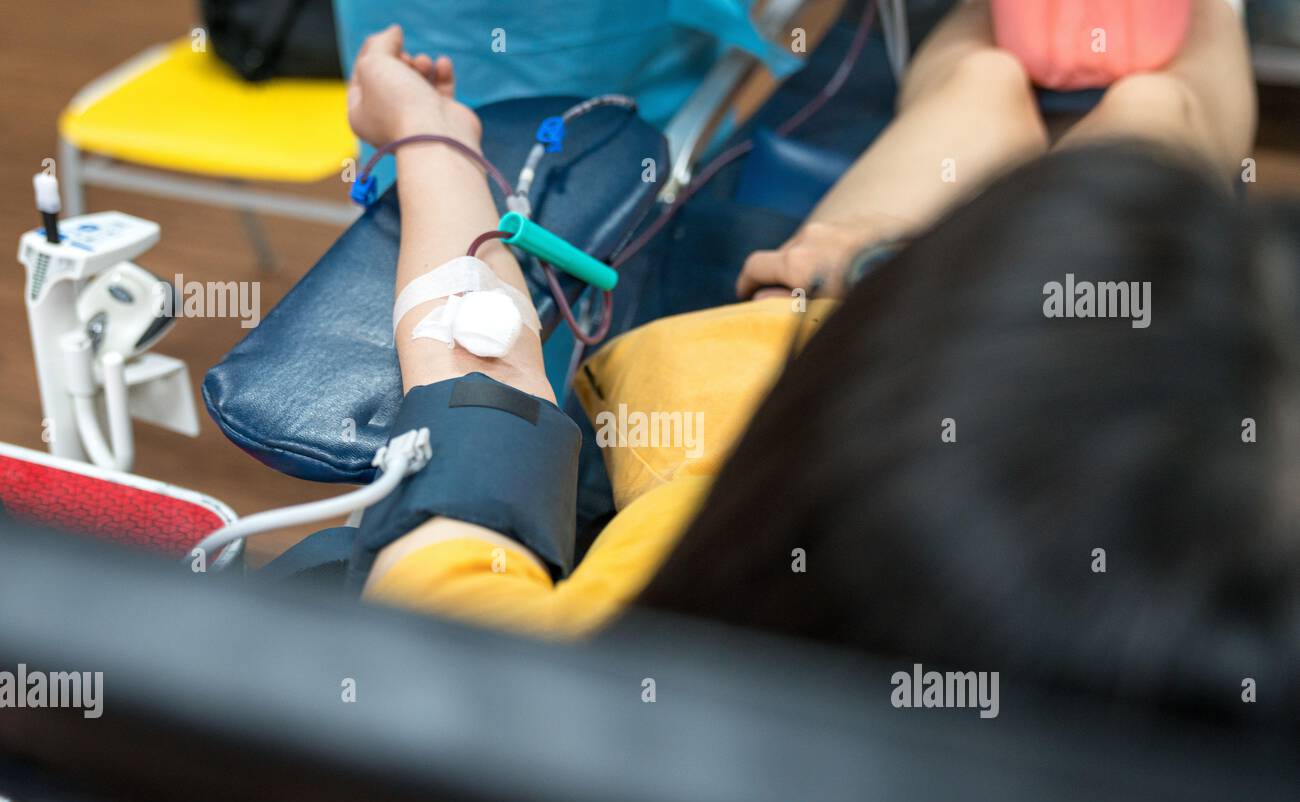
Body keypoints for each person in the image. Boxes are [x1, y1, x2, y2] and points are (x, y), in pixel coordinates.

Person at [346, 0, 1294, 681]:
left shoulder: (532, 698)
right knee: (1152, 108)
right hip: (897, 330)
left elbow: (476, 382)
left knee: (984, 77)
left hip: (818, 314)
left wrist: (431, 136)